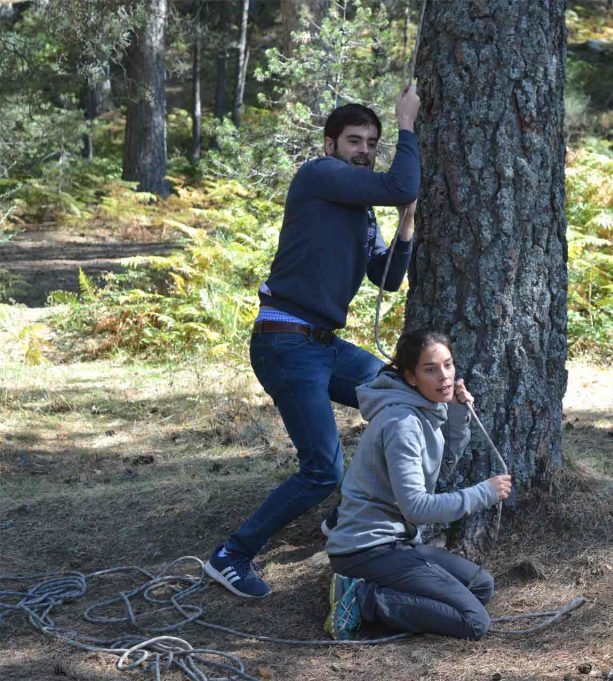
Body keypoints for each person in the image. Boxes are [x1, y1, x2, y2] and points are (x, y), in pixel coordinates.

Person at [204, 84, 421, 599]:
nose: (364, 150)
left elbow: (385, 278)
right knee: (323, 467)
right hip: (287, 342)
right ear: (330, 145)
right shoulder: (319, 176)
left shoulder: (360, 210)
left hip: (325, 346)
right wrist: (406, 124)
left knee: (400, 396)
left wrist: (407, 225)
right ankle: (231, 555)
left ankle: (343, 517)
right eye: (354, 141)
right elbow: (399, 182)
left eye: (372, 142)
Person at [322, 329, 513, 641]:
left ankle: (380, 591)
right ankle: (362, 599)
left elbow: (443, 466)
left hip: (397, 543)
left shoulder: (423, 411)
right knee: (474, 621)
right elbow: (417, 507)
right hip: (366, 550)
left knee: (480, 585)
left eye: (448, 365)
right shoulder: (402, 423)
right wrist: (485, 493)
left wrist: (457, 413)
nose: (444, 377)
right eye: (430, 369)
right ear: (411, 377)